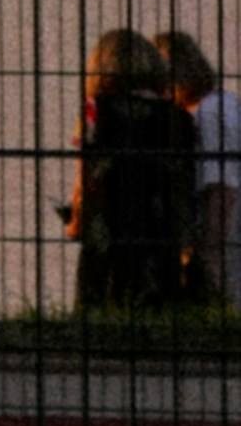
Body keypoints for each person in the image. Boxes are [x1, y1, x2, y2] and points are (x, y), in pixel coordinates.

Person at [67, 26, 196, 311]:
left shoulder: (94, 111)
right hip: (160, 240)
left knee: (99, 326)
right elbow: (185, 190)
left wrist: (75, 222)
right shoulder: (180, 120)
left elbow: (86, 182)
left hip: (108, 239)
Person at [159, 31, 237, 304]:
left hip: (222, 237)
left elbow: (221, 184)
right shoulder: (219, 105)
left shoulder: (210, 113)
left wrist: (207, 251)